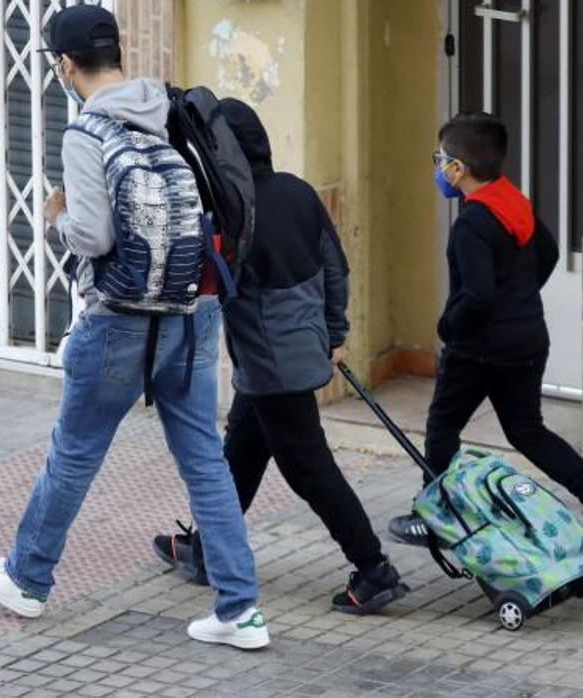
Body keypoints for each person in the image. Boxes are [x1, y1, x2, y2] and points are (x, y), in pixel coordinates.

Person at [0, 5, 269, 651]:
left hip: (121, 321)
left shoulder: (87, 132)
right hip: (192, 311)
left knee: (74, 452)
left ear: (66, 64)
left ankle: (26, 578)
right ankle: (241, 609)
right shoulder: (171, 109)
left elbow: (94, 236)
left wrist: (56, 219)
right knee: (205, 459)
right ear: (119, 54)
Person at [152, 99, 409, 615]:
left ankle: (375, 568)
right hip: (291, 352)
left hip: (273, 365)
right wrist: (335, 331)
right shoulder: (298, 191)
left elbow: (204, 286)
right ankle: (209, 549)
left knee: (309, 468)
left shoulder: (234, 212)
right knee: (243, 451)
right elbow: (335, 267)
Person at [387, 113, 583, 552]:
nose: (438, 168)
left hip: (479, 348)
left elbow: (478, 295)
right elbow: (548, 251)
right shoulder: (512, 200)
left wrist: (447, 325)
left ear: (457, 168)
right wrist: (517, 300)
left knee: (442, 427)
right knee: (526, 430)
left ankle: (437, 515)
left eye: (440, 159)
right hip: (526, 339)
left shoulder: (471, 222)